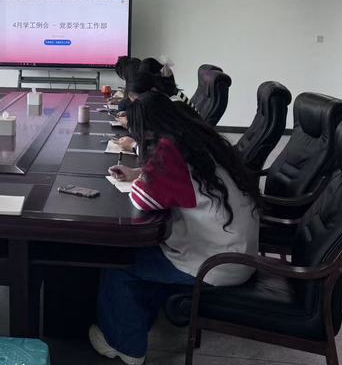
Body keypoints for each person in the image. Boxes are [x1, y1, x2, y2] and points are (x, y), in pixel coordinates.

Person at [90, 91, 259, 365]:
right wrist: (141, 173)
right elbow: (182, 183)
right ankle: (135, 323)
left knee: (120, 262)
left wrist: (140, 179)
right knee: (147, 253)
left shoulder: (170, 151)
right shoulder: (198, 142)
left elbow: (142, 200)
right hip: (237, 253)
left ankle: (124, 346)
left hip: (217, 263)